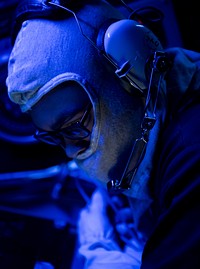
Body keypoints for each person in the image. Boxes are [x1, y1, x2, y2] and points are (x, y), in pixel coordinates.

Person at [6, 0, 200, 268]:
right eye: (55, 137)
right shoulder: (151, 130)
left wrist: (100, 251)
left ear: (133, 71)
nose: (72, 152)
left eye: (75, 126)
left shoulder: (193, 157)